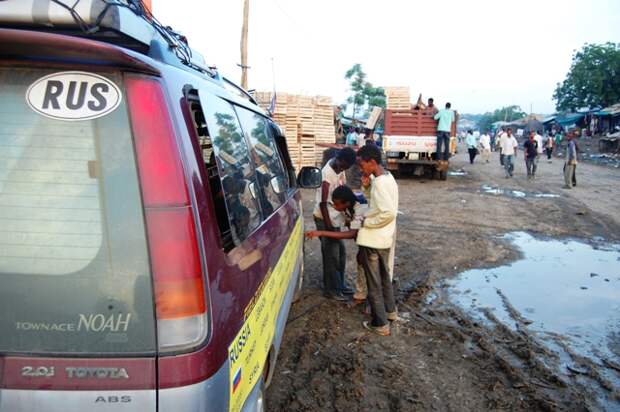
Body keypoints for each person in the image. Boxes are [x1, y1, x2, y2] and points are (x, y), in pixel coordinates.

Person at [355, 144, 399, 336]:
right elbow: (376, 202)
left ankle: (380, 323)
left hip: (373, 240)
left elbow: (388, 212)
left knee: (373, 284)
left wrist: (366, 222)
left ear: (372, 162)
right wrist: (366, 187)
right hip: (384, 238)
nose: (360, 169)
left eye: (361, 164)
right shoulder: (386, 178)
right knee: (384, 278)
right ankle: (390, 312)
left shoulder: (380, 183)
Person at [313, 147, 357, 300]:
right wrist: (329, 227)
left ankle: (340, 285)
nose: (342, 169)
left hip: (334, 217)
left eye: (345, 167)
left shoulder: (340, 169)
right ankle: (331, 290)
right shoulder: (326, 174)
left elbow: (342, 190)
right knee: (331, 256)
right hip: (324, 218)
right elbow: (323, 204)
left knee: (341, 254)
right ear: (338, 158)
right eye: (342, 165)